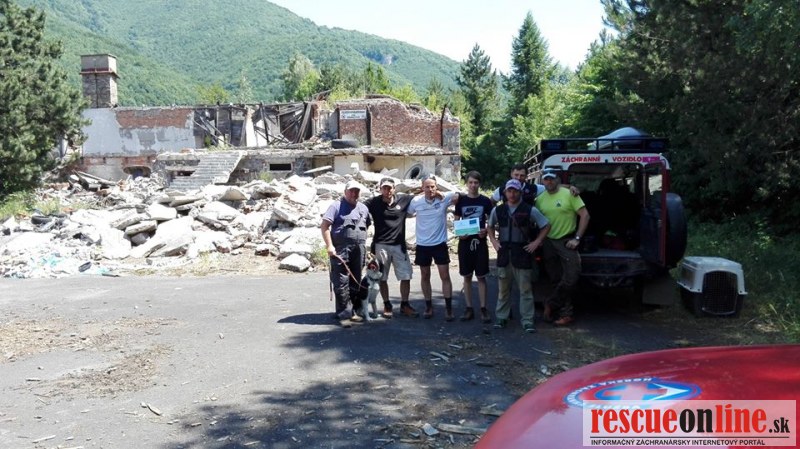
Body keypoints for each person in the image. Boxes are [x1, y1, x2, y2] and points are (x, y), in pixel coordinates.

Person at [487, 179, 551, 333]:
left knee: (525, 290)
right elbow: (489, 226)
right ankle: (501, 317)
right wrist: (494, 241)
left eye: (515, 191)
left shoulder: (529, 210)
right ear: (505, 192)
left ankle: (527, 321)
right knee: (503, 289)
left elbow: (546, 225)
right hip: (504, 254)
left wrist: (537, 242)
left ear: (520, 192)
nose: (512, 194)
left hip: (522, 253)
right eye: (509, 191)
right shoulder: (498, 210)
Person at [535, 168, 590, 326]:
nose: (549, 181)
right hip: (548, 242)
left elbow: (585, 215)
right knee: (555, 278)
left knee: (572, 276)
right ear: (543, 181)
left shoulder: (570, 194)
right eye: (546, 179)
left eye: (552, 178)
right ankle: (566, 313)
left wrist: (577, 238)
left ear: (558, 179)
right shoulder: (539, 199)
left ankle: (550, 303)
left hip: (567, 241)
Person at [363, 177, 419, 318]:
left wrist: (439, 194)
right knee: (382, 277)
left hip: (399, 245)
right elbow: (358, 207)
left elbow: (422, 196)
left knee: (406, 276)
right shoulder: (373, 202)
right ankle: (387, 304)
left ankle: (405, 305)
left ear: (394, 189)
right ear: (380, 189)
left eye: (390, 188)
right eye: (384, 188)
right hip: (381, 246)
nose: (387, 191)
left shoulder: (403, 199)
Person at [320, 180, 371, 328]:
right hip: (340, 250)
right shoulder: (336, 206)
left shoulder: (363, 208)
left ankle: (352, 311)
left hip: (359, 249)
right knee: (341, 282)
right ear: (345, 192)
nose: (354, 194)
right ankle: (343, 315)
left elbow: (367, 225)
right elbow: (324, 226)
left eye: (357, 191)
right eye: (351, 191)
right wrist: (329, 246)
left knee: (356, 281)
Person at [407, 174, 458, 320]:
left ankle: (449, 309)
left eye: (433, 187)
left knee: (445, 276)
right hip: (422, 245)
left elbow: (459, 196)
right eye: (427, 187)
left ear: (436, 187)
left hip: (439, 244)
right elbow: (408, 213)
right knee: (425, 276)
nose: (430, 189)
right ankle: (428, 307)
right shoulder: (416, 201)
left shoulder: (444, 198)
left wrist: (442, 194)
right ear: (422, 188)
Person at [453, 171, 494, 323]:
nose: (473, 185)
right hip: (465, 243)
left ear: (479, 184)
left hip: (480, 242)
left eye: (476, 182)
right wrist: (459, 234)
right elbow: (456, 221)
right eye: (470, 182)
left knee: (481, 277)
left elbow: (491, 221)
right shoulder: (461, 201)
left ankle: (483, 308)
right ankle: (469, 308)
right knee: (467, 276)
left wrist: (486, 231)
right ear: (466, 184)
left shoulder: (485, 201)